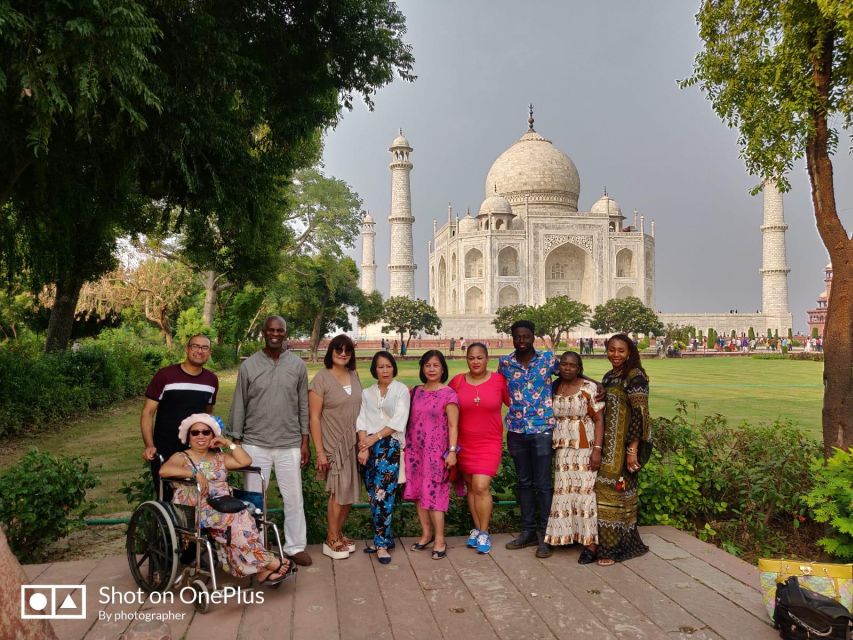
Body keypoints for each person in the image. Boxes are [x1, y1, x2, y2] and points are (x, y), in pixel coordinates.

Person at [160, 414, 294, 585]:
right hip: (197, 507)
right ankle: (270, 562)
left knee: (244, 518)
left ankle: (261, 570)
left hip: (224, 503)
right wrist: (194, 473)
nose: (200, 436)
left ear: (212, 435)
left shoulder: (219, 457)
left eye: (206, 432)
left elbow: (246, 460)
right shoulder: (182, 457)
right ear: (188, 436)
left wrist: (227, 443)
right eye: (195, 433)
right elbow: (164, 471)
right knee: (235, 521)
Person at [228, 316, 312, 566]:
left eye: (280, 330)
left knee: (294, 497)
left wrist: (304, 441)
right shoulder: (249, 366)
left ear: (285, 333)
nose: (275, 334)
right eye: (271, 330)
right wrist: (236, 441)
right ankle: (256, 546)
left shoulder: (297, 365)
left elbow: (304, 405)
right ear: (263, 332)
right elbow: (239, 402)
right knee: (254, 499)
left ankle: (295, 547)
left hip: (289, 443)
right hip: (255, 443)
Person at [497, 320, 561, 558]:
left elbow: (570, 372)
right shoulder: (505, 363)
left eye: (525, 336)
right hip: (516, 429)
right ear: (513, 338)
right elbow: (495, 388)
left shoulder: (547, 360)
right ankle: (528, 531)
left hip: (543, 429)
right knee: (524, 483)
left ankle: (546, 535)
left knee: (543, 485)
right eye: (517, 337)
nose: (521, 340)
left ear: (533, 337)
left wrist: (596, 386)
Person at [595, 333, 653, 566]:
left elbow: (639, 415)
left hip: (623, 449)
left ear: (629, 352)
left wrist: (632, 451)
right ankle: (610, 543)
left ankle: (612, 549)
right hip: (609, 447)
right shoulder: (610, 377)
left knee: (617, 494)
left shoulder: (635, 377)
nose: (615, 355)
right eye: (611, 350)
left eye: (620, 351)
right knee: (608, 495)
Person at [543, 352, 604, 564]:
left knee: (585, 495)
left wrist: (597, 449)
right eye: (564, 364)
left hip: (584, 448)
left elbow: (598, 419)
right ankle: (567, 536)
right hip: (562, 448)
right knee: (564, 493)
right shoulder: (554, 388)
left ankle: (590, 545)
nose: (567, 368)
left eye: (572, 365)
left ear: (579, 368)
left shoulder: (588, 388)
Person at [141, 334, 219, 498]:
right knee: (168, 498)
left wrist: (210, 438)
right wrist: (149, 445)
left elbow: (208, 413)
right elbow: (148, 413)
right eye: (195, 346)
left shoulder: (211, 381)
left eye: (204, 347)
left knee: (200, 497)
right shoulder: (165, 376)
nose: (199, 351)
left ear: (210, 352)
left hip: (196, 449)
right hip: (165, 447)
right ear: (187, 349)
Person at [449, 342, 509, 554]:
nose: (475, 361)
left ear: (487, 359)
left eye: (479, 357)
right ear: (467, 359)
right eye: (471, 358)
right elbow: (441, 400)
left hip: (489, 442)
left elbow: (517, 403)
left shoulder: (499, 381)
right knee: (471, 487)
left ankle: (484, 532)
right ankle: (477, 529)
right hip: (464, 443)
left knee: (481, 486)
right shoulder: (457, 381)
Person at [309, 334, 363, 560]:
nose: (343, 354)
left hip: (354, 442)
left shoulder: (354, 375)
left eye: (347, 351)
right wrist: (320, 452)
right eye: (338, 350)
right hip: (333, 443)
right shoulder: (321, 379)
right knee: (338, 492)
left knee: (349, 492)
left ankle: (338, 534)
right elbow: (314, 418)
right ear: (331, 352)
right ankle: (331, 539)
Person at [404, 350, 459, 560]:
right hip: (414, 450)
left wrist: (452, 452)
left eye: (436, 365)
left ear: (443, 368)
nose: (432, 369)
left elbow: (454, 425)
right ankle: (426, 534)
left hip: (437, 452)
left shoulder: (449, 394)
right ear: (422, 368)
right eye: (427, 365)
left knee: (435, 494)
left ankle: (440, 539)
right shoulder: (415, 392)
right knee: (418, 492)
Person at [356, 351, 410, 564]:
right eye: (380, 367)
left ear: (393, 368)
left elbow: (399, 420)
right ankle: (385, 538)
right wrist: (363, 446)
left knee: (384, 496)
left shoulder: (401, 390)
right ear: (374, 369)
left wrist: (374, 438)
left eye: (388, 366)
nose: (385, 370)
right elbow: (361, 420)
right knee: (372, 495)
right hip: (368, 448)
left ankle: (380, 544)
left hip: (389, 447)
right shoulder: (367, 393)